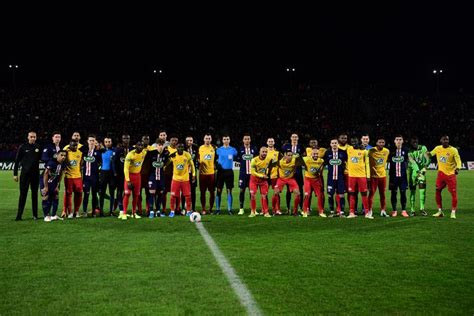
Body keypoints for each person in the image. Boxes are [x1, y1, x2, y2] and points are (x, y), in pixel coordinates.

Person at [428, 135, 461, 219]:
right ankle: (440, 211)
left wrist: (458, 168)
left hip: (450, 175)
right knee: (437, 190)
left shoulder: (453, 150)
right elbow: (430, 154)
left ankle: (453, 212)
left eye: (447, 139)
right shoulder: (437, 148)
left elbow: (458, 160)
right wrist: (425, 153)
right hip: (441, 174)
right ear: (441, 140)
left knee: (453, 193)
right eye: (444, 139)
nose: (446, 141)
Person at [120, 140, 154, 219]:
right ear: (135, 146)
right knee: (127, 194)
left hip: (137, 176)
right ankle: (124, 213)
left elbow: (153, 149)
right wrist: (128, 180)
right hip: (129, 176)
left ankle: (134, 213)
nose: (140, 147)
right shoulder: (130, 155)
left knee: (136, 195)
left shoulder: (144, 152)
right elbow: (125, 168)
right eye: (139, 145)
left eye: (142, 146)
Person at [14, 131, 42, 221]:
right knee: (23, 195)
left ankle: (35, 215)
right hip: (24, 175)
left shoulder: (38, 147)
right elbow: (17, 161)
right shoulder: (23, 147)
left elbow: (43, 159)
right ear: (28, 137)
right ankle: (19, 215)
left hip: (35, 175)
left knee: (35, 195)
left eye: (34, 137)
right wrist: (15, 174)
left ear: (36, 137)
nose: (33, 138)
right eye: (31, 137)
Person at [168, 143, 196, 217]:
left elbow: (192, 165)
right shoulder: (173, 155)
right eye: (179, 147)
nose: (180, 148)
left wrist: (193, 174)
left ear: (183, 148)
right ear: (176, 148)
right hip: (175, 179)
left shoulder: (187, 154)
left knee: (187, 195)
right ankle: (172, 211)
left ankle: (188, 211)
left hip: (185, 179)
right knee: (173, 196)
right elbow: (167, 163)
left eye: (182, 147)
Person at [273, 149, 303, 216]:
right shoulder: (280, 162)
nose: (290, 157)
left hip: (290, 179)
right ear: (285, 155)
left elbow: (303, 163)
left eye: (291, 155)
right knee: (275, 192)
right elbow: (271, 164)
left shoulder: (295, 161)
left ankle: (295, 211)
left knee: (298, 193)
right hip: (281, 179)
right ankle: (276, 210)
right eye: (288, 155)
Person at [346, 139, 371, 219]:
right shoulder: (349, 149)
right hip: (351, 176)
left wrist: (368, 176)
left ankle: (367, 213)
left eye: (355, 142)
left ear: (358, 142)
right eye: (352, 142)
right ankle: (352, 212)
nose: (354, 144)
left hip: (361, 176)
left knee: (364, 194)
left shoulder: (364, 151)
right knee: (352, 194)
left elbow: (367, 164)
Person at [40, 150, 67, 222]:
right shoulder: (52, 162)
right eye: (61, 155)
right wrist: (45, 187)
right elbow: (45, 173)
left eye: (64, 155)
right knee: (45, 196)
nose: (63, 157)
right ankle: (46, 216)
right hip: (45, 181)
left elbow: (61, 174)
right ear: (57, 155)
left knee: (56, 195)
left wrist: (57, 184)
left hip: (54, 181)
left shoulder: (63, 163)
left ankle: (54, 215)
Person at [324, 139, 347, 217]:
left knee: (341, 195)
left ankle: (341, 212)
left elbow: (347, 162)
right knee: (330, 194)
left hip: (340, 177)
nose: (334, 144)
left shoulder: (343, 153)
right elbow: (323, 163)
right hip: (330, 177)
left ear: (338, 144)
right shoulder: (327, 153)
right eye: (332, 143)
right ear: (330, 144)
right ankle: (332, 211)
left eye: (335, 143)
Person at [215, 135, 238, 215]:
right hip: (220, 172)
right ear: (222, 140)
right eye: (224, 139)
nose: (226, 140)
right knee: (219, 190)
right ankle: (218, 209)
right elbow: (215, 159)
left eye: (227, 139)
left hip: (229, 172)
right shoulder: (218, 150)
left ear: (229, 140)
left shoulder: (233, 150)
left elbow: (236, 157)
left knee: (229, 191)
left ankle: (229, 209)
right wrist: (216, 165)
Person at [388, 135, 410, 217]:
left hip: (403, 176)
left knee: (403, 193)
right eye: (397, 139)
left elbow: (410, 160)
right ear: (394, 141)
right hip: (393, 177)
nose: (398, 141)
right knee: (393, 193)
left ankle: (403, 210)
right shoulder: (390, 150)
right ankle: (394, 210)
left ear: (403, 141)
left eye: (400, 139)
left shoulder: (406, 150)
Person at [408, 136, 430, 216]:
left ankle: (422, 209)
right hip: (413, 174)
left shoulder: (423, 148)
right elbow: (412, 161)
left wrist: (425, 167)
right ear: (411, 142)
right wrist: (417, 171)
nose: (414, 142)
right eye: (413, 141)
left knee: (422, 191)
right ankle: (412, 210)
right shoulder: (409, 151)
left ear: (417, 141)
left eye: (416, 140)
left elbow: (427, 157)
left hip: (421, 173)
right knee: (413, 192)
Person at [367, 137, 390, 217]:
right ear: (376, 143)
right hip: (373, 176)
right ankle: (369, 211)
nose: (381, 144)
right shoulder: (371, 151)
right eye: (379, 142)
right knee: (371, 194)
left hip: (383, 176)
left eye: (383, 142)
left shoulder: (386, 151)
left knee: (382, 194)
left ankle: (383, 210)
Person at [147, 139, 169, 217]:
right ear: (156, 145)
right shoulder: (150, 153)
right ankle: (151, 211)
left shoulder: (166, 154)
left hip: (161, 177)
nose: (160, 146)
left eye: (162, 145)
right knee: (152, 194)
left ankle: (158, 210)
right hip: (152, 177)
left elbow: (166, 163)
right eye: (159, 145)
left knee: (160, 194)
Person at [282, 133, 304, 211]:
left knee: (300, 189)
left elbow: (303, 157)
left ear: (298, 138)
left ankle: (301, 207)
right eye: (293, 137)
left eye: (296, 137)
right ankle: (288, 207)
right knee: (288, 190)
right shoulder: (286, 147)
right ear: (291, 138)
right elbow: (283, 156)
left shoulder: (301, 147)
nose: (294, 138)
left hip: (298, 171)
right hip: (289, 172)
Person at [81, 134, 102, 216]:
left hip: (95, 178)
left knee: (94, 195)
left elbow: (101, 164)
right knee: (86, 195)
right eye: (90, 140)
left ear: (95, 141)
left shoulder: (98, 153)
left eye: (93, 140)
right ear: (87, 141)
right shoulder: (84, 152)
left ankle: (94, 212)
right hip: (86, 178)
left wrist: (99, 172)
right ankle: (85, 211)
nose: (92, 142)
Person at [248, 146, 272, 218]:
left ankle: (266, 212)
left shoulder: (268, 160)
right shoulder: (254, 160)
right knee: (252, 195)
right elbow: (252, 172)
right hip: (254, 180)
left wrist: (266, 173)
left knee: (264, 196)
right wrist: (261, 175)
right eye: (263, 152)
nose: (264, 153)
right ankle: (253, 212)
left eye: (266, 152)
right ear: (259, 152)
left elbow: (268, 169)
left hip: (263, 181)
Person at [302, 148, 326, 217]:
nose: (315, 155)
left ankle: (321, 212)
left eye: (317, 154)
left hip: (316, 180)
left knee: (319, 196)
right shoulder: (306, 159)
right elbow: (298, 160)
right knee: (307, 195)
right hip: (308, 179)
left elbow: (320, 171)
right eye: (314, 154)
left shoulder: (321, 161)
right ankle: (305, 211)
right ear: (311, 154)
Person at [237, 134, 257, 215]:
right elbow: (237, 159)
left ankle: (253, 209)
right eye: (245, 139)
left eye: (248, 139)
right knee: (242, 190)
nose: (247, 140)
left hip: (252, 174)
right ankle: (241, 208)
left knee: (252, 192)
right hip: (243, 174)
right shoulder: (240, 149)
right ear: (243, 140)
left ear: (250, 140)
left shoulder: (254, 149)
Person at [63, 141, 84, 218]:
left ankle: (76, 211)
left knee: (79, 194)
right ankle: (70, 212)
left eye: (76, 146)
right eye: (73, 146)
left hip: (78, 177)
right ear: (69, 146)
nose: (75, 147)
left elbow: (81, 164)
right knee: (69, 194)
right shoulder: (66, 152)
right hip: (69, 177)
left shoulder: (80, 153)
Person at [114, 134, 132, 216]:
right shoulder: (118, 150)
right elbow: (114, 162)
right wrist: (115, 172)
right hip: (120, 175)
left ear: (129, 139)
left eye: (127, 138)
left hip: (129, 175)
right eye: (124, 138)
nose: (126, 140)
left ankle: (125, 209)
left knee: (127, 192)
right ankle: (121, 209)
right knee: (120, 191)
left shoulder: (132, 149)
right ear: (122, 139)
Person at [198, 134, 217, 215]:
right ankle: (203, 208)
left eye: (209, 138)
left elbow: (217, 158)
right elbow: (197, 158)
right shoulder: (200, 148)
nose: (208, 140)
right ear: (204, 139)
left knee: (212, 192)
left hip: (211, 173)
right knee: (202, 192)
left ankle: (211, 209)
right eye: (206, 138)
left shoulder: (214, 148)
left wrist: (215, 165)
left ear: (211, 139)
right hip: (202, 174)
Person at [99, 136, 116, 216]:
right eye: (106, 142)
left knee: (112, 193)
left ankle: (111, 211)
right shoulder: (100, 151)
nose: (107, 143)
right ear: (104, 142)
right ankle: (101, 211)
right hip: (103, 173)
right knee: (102, 193)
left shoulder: (115, 150)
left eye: (109, 141)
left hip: (112, 174)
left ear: (111, 142)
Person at [182, 136, 199, 212]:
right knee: (183, 191)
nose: (189, 142)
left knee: (193, 191)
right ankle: (183, 208)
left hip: (193, 173)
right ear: (185, 141)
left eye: (191, 140)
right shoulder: (182, 149)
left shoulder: (195, 148)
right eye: (188, 140)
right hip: (184, 173)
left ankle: (193, 207)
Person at [267, 138, 282, 215]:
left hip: (274, 176)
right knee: (264, 193)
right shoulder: (264, 151)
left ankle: (277, 209)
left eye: (272, 141)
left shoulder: (277, 153)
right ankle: (265, 209)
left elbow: (281, 163)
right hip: (265, 176)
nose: (270, 142)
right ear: (267, 142)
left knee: (276, 193)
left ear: (274, 142)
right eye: (269, 141)